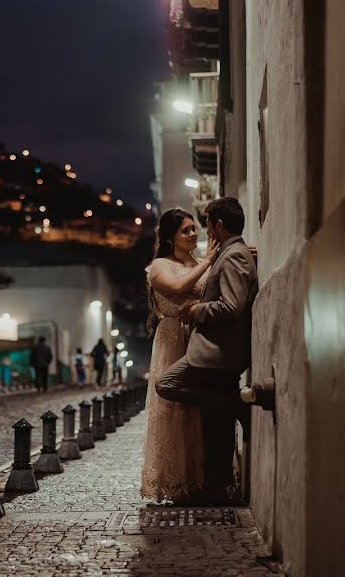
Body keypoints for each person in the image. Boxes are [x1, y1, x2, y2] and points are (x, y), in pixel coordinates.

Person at [157, 198, 258, 505]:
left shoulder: (232, 256)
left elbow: (231, 305)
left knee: (167, 384)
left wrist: (197, 311)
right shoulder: (227, 255)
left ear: (218, 226)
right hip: (212, 350)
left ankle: (231, 403)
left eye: (201, 225)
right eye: (186, 229)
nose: (198, 233)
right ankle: (216, 488)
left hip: (214, 353)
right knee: (217, 426)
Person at [141, 209, 217, 504]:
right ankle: (175, 481)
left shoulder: (198, 262)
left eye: (195, 229)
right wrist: (210, 261)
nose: (193, 234)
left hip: (198, 336)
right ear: (170, 237)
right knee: (174, 408)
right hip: (173, 338)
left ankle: (199, 480)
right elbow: (178, 287)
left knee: (198, 408)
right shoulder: (159, 266)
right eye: (186, 230)